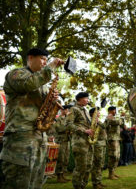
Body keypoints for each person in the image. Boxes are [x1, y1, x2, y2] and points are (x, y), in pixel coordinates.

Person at [0, 48, 64, 189]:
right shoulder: (16, 74)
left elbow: (43, 107)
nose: (44, 63)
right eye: (42, 59)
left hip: (39, 139)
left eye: (46, 60)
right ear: (30, 58)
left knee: (36, 182)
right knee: (17, 183)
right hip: (20, 140)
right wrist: (51, 67)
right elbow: (28, 84)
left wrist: (52, 99)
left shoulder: (42, 83)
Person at [66, 92, 93, 189]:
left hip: (88, 142)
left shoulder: (85, 110)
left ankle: (83, 186)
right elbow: (68, 124)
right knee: (81, 167)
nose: (88, 100)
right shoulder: (74, 109)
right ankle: (77, 186)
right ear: (80, 99)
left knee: (88, 166)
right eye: (86, 98)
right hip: (79, 142)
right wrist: (84, 130)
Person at [53, 104, 72, 183]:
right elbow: (59, 129)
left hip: (66, 141)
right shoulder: (58, 119)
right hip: (60, 141)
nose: (68, 111)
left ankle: (63, 175)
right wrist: (68, 126)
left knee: (66, 159)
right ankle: (59, 176)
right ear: (62, 110)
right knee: (60, 159)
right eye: (66, 109)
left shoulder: (67, 119)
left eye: (68, 109)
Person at [89, 107, 107, 189]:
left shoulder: (98, 121)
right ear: (93, 114)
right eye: (97, 112)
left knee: (100, 164)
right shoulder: (91, 121)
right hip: (97, 144)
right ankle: (95, 183)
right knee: (96, 163)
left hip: (102, 143)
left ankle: (99, 181)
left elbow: (104, 126)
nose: (99, 113)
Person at [106, 106, 124, 180]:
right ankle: (110, 174)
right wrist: (122, 117)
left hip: (116, 139)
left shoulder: (113, 117)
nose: (115, 112)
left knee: (117, 156)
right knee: (113, 156)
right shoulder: (109, 117)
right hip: (112, 139)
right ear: (110, 111)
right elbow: (117, 122)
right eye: (114, 110)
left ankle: (113, 172)